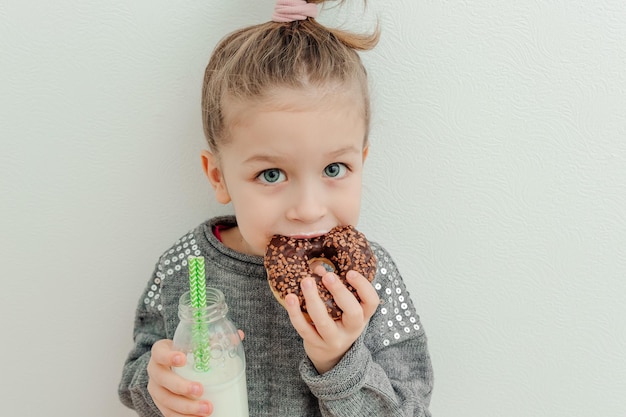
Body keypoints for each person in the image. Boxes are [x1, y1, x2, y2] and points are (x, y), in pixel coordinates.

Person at [118, 0, 434, 416]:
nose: (307, 208)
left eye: (335, 168)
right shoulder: (184, 267)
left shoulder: (373, 282)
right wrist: (157, 385)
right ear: (218, 177)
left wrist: (339, 364)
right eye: (271, 175)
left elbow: (411, 410)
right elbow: (136, 379)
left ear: (362, 160)